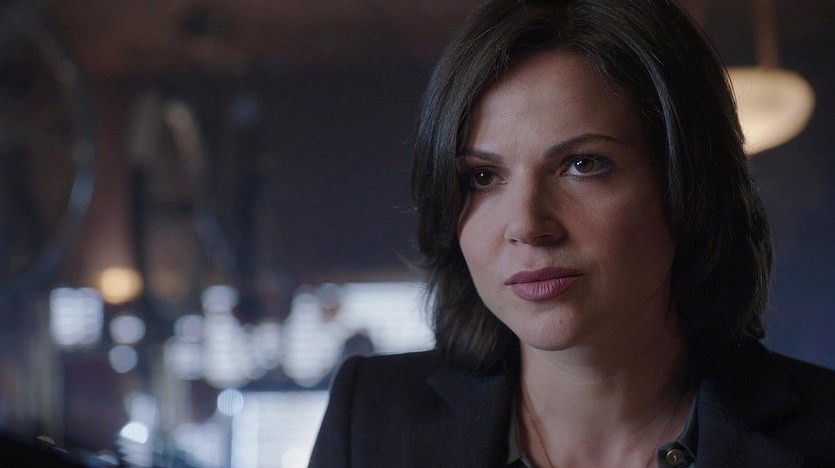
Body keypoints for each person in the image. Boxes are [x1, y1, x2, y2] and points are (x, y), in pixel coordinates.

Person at [309, 0, 835, 466]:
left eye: (583, 164)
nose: (527, 225)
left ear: (687, 186)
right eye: (482, 177)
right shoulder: (371, 420)